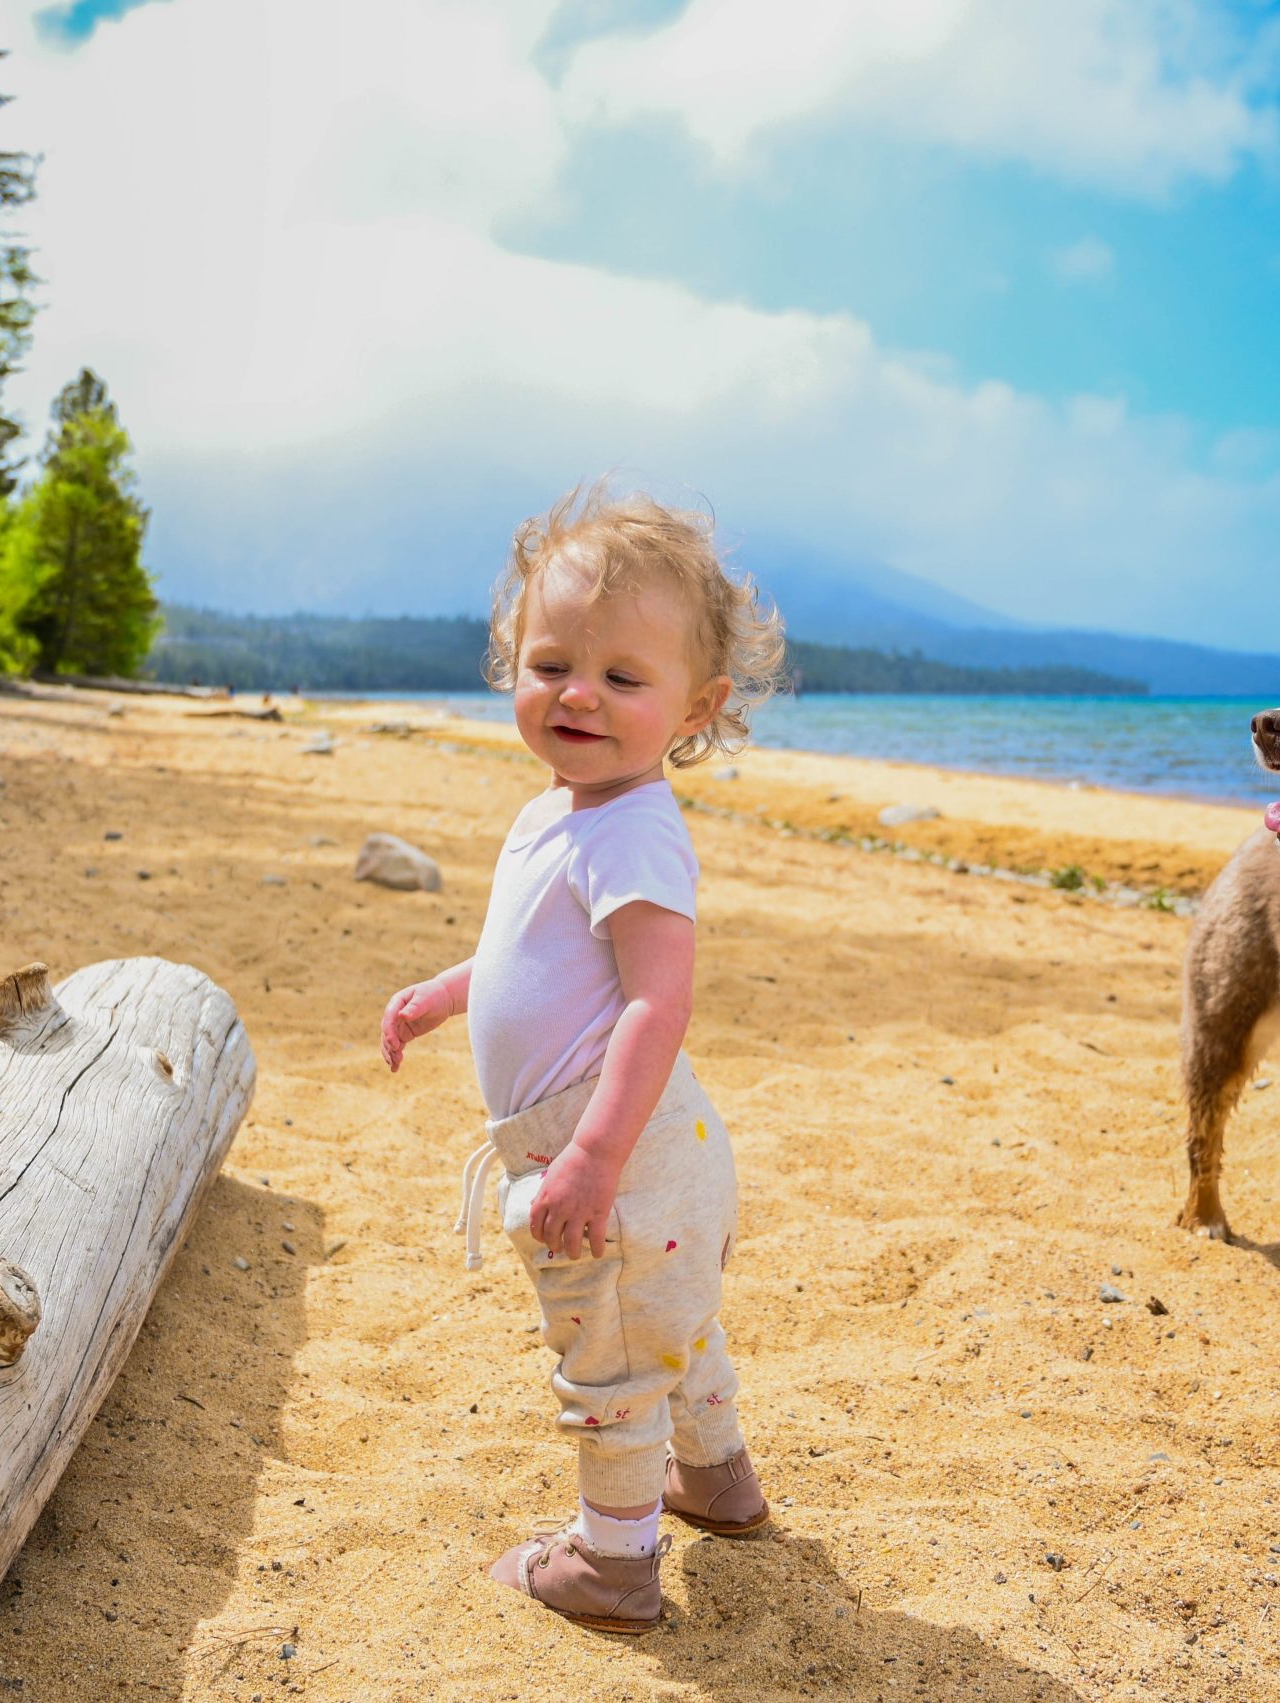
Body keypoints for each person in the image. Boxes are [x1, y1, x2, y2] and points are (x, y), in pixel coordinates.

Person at [380, 483, 785, 1633]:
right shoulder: (552, 813)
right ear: (513, 658)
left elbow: (658, 1004)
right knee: (675, 1318)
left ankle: (612, 1566)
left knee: (608, 1355)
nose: (578, 694)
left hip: (619, 1151)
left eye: (623, 677)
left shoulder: (635, 827)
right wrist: (444, 994)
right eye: (552, 660)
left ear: (696, 708)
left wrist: (595, 1157)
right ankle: (714, 1478)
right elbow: (530, 957)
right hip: (646, 1155)